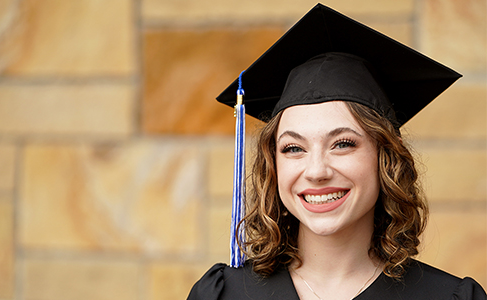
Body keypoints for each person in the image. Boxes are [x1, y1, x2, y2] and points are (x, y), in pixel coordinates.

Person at [187, 4, 487, 300]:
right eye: (294, 148)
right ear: (273, 165)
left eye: (343, 144)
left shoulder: (448, 297)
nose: (317, 170)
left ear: (386, 159)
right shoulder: (223, 294)